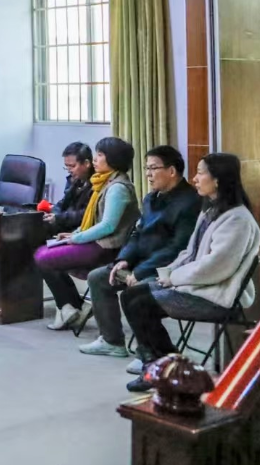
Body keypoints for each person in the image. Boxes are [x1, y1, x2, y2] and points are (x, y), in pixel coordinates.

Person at [123, 153, 260, 392]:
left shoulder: (237, 220)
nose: (194, 179)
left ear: (217, 179)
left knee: (140, 305)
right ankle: (163, 366)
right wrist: (167, 273)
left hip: (217, 297)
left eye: (200, 173)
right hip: (198, 286)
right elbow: (189, 253)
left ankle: (168, 368)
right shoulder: (210, 211)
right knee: (130, 295)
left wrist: (174, 279)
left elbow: (215, 267)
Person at [77, 145, 201, 360]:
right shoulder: (151, 198)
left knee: (135, 294)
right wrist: (124, 259)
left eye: (153, 168)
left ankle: (149, 352)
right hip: (140, 263)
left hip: (166, 269)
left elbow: (178, 247)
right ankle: (112, 341)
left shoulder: (190, 202)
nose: (148, 174)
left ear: (172, 171)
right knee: (98, 277)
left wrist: (142, 271)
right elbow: (137, 233)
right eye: (146, 168)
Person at [33, 137, 140, 332]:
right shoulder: (104, 181)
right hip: (95, 241)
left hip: (107, 247)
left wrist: (76, 238)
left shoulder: (117, 188)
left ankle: (70, 307)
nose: (95, 159)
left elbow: (107, 226)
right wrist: (74, 233)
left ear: (113, 159)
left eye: (100, 155)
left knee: (43, 257)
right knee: (43, 252)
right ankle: (71, 307)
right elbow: (91, 219)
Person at [45, 142, 95, 233]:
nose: (69, 171)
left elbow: (85, 213)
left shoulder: (96, 184)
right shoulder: (74, 180)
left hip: (81, 230)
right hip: (67, 224)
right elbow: (62, 203)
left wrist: (59, 218)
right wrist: (54, 214)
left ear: (87, 163)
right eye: (66, 167)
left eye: (72, 166)